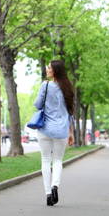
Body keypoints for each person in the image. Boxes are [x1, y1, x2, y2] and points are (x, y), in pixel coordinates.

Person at [34, 59, 75, 206]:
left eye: (49, 67)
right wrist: (71, 133)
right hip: (62, 130)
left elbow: (37, 105)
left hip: (45, 129)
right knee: (57, 160)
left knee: (45, 159)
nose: (47, 69)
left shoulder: (45, 86)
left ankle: (48, 194)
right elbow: (71, 113)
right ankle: (55, 186)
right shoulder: (68, 89)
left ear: (55, 71)